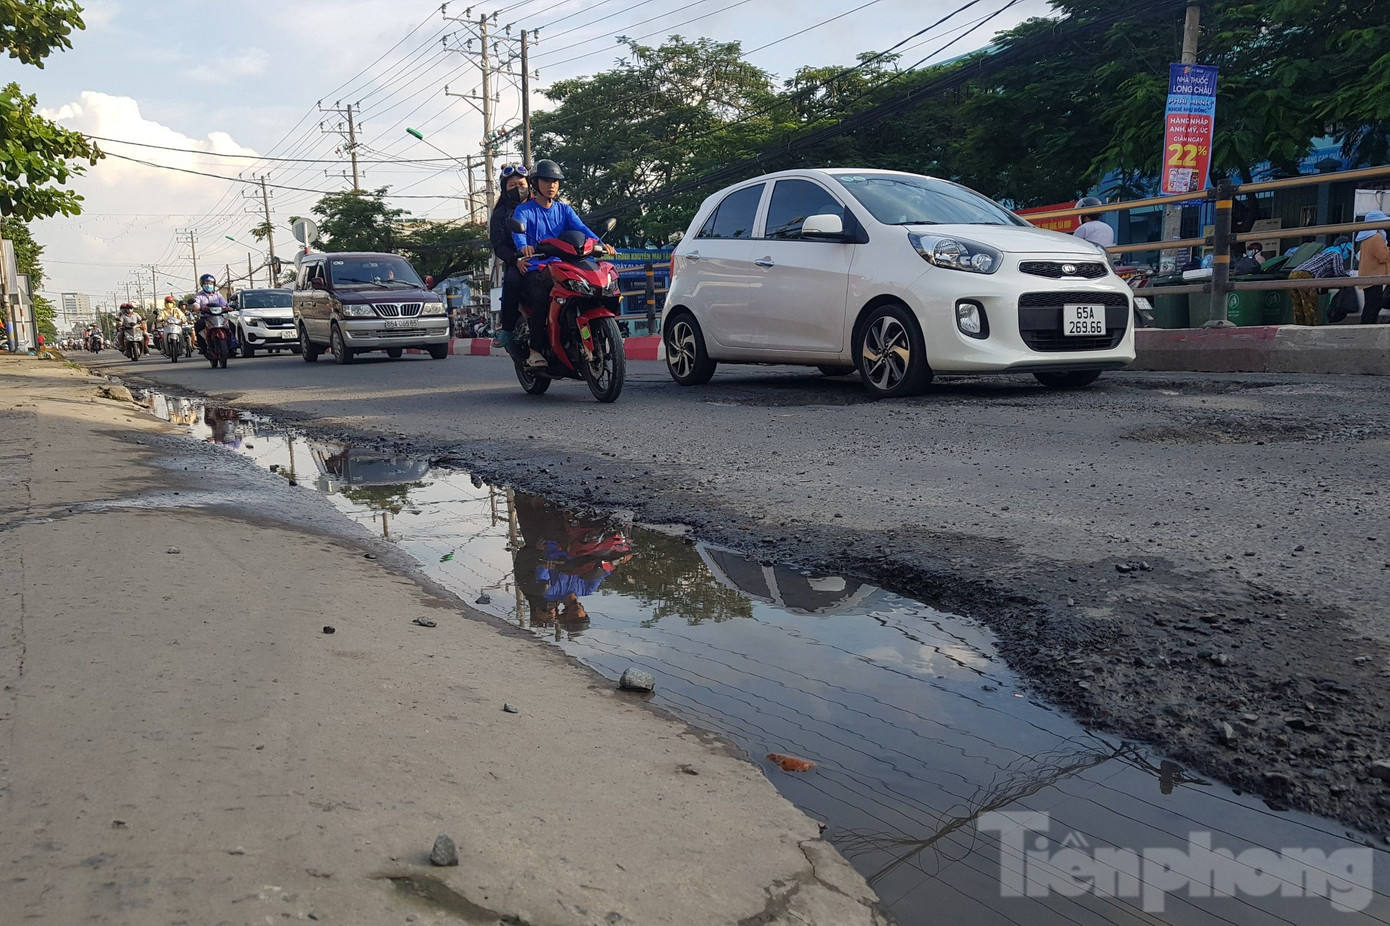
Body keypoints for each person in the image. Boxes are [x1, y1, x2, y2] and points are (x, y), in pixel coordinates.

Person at [510, 158, 604, 368]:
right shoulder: (524, 211)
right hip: (537, 268)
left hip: (565, 266)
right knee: (542, 297)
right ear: (535, 183)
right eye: (546, 180)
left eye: (555, 181)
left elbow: (582, 229)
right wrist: (524, 247)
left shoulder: (564, 210)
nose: (551, 185)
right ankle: (535, 350)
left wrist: (601, 243)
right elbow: (519, 234)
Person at [489, 163, 530, 359]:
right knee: (513, 281)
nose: (518, 189)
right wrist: (516, 259)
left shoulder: (539, 205)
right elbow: (499, 246)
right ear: (505, 189)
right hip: (517, 260)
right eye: (512, 185)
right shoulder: (500, 214)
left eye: (521, 184)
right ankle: (507, 328)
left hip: (548, 257)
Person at [1289, 237, 1353, 326]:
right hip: (1306, 275)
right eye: (1349, 252)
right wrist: (1351, 276)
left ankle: (1299, 326)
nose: (1348, 255)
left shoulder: (1325, 252)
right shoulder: (1336, 254)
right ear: (1343, 246)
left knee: (1298, 306)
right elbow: (1339, 272)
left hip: (1293, 274)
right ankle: (1311, 328)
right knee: (1310, 304)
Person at [1357, 210, 1389, 325]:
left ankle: (1366, 326)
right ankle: (1368, 328)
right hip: (1374, 276)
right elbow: (1383, 256)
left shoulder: (1366, 238)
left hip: (1367, 275)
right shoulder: (1376, 237)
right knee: (1373, 305)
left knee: (1370, 304)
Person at [194, 273, 230, 353]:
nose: (208, 285)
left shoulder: (218, 295)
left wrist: (229, 307)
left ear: (214, 284)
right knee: (198, 326)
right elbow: (196, 304)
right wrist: (197, 307)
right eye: (206, 283)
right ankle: (202, 347)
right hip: (206, 318)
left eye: (210, 283)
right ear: (202, 285)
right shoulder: (199, 295)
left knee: (231, 326)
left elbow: (225, 304)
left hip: (220, 317)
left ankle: (232, 347)